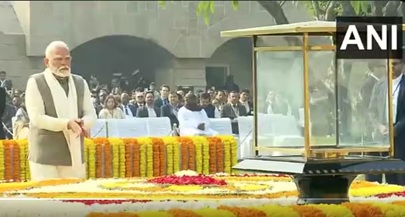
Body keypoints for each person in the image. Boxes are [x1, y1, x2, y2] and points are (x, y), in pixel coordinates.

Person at [25, 41, 97, 181]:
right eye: (58, 59)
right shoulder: (36, 82)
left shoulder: (80, 82)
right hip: (45, 154)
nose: (64, 63)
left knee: (75, 198)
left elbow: (91, 114)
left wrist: (82, 123)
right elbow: (37, 118)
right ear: (47, 61)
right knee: (46, 199)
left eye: (67, 58)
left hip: (74, 153)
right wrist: (67, 123)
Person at [367, 58, 405, 185]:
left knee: (400, 177)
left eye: (395, 64)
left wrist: (396, 129)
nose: (392, 67)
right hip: (382, 136)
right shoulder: (380, 84)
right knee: (384, 175)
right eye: (389, 64)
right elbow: (371, 110)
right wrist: (378, 126)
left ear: (402, 65)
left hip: (401, 136)